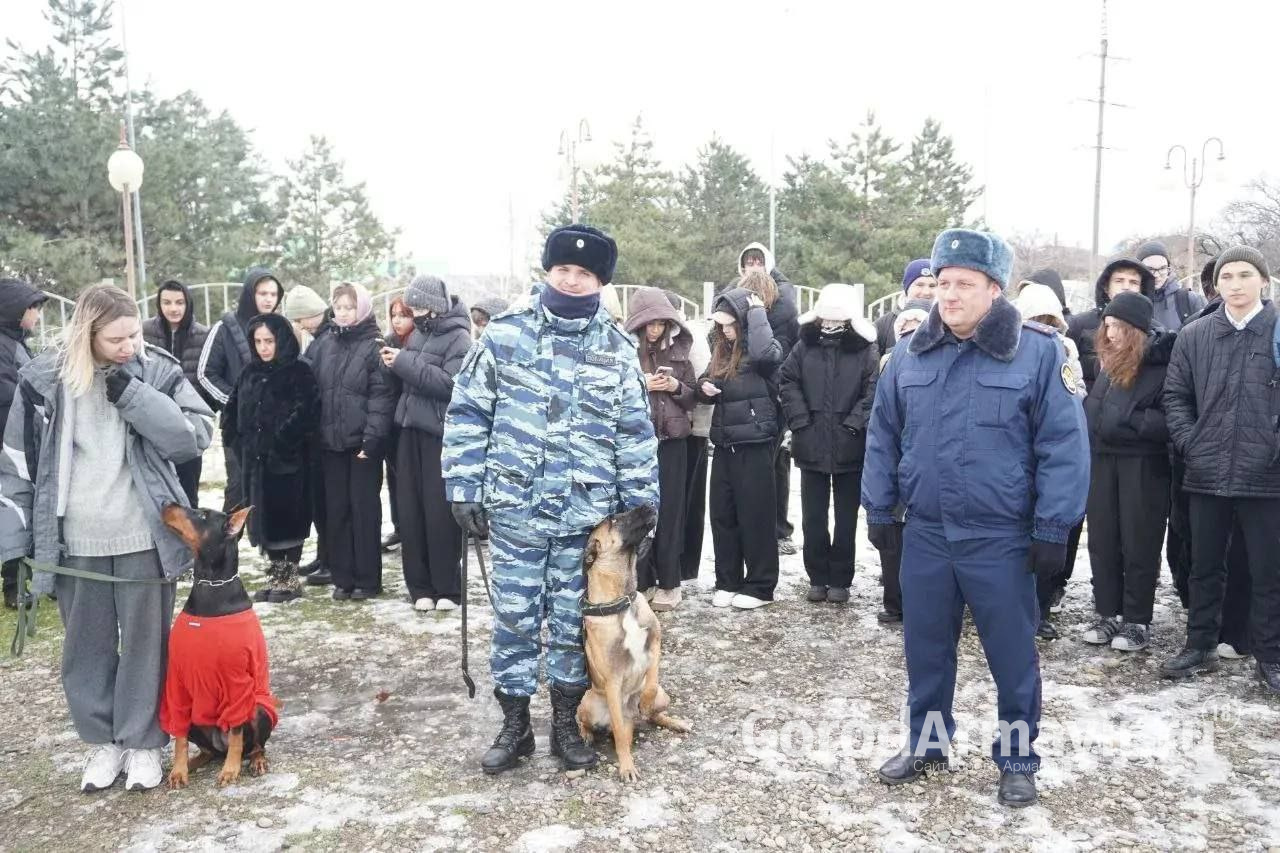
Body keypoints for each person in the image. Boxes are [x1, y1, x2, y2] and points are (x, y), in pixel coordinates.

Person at [863, 228, 1089, 808]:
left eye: (964, 284)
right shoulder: (908, 355)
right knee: (926, 651)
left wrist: (1053, 527)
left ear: (995, 289)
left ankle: (1017, 758)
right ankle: (928, 745)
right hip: (928, 534)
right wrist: (880, 507)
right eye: (943, 283)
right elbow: (883, 436)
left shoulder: (1039, 353)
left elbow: (1063, 446)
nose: (950, 295)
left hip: (1001, 537)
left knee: (1012, 657)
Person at [443, 223, 658, 775]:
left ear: (600, 282)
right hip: (514, 509)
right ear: (548, 271)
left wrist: (642, 508)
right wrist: (464, 487)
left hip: (584, 522)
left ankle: (565, 724)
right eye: (563, 269)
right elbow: (469, 411)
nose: (571, 279)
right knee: (514, 619)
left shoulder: (616, 349)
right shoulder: (505, 335)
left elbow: (635, 434)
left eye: (584, 273)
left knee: (570, 624)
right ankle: (515, 725)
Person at [0, 283, 213, 792]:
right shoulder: (43, 380)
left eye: (134, 334)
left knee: (146, 645)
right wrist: (14, 547)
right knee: (86, 647)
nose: (129, 346)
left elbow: (195, 436)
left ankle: (143, 743)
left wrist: (135, 396)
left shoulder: (156, 369)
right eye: (117, 338)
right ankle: (104, 742)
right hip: (74, 540)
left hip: (143, 534)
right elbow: (16, 465)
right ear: (87, 334)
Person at [1161, 246, 1280, 693]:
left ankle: (1269, 654)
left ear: (1263, 280)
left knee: (1269, 570)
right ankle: (1200, 645)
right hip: (1207, 470)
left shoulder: (1277, 330)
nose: (1235, 284)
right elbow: (1176, 396)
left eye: (1245, 274)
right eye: (1226, 276)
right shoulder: (1195, 334)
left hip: (1267, 474)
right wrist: (1191, 443)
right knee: (1204, 565)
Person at [1081, 292, 1175, 652]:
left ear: (1136, 329)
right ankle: (1108, 612)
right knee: (1103, 539)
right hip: (1103, 459)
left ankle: (1136, 619)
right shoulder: (1106, 362)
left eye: (1118, 326)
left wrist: (1130, 420)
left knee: (1140, 540)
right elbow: (1098, 409)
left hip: (1143, 463)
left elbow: (1171, 418)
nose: (1111, 333)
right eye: (1107, 325)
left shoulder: (1162, 364)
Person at [779, 283, 878, 604]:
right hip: (811, 442)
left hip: (850, 445)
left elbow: (872, 391)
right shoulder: (803, 345)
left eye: (838, 318)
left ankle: (841, 579)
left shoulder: (865, 349)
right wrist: (800, 421)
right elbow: (788, 381)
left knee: (846, 519)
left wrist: (853, 424)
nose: (831, 323)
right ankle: (817, 576)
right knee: (813, 518)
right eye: (827, 317)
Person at [385, 275, 473, 612]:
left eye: (419, 307)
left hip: (439, 436)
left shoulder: (460, 338)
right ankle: (419, 587)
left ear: (434, 308)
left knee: (438, 514)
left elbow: (451, 386)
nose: (415, 313)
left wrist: (403, 363)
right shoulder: (419, 335)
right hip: (408, 431)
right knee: (410, 512)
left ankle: (447, 588)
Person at [221, 314, 320, 604]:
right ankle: (278, 578)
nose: (263, 347)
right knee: (265, 524)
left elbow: (307, 412)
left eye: (269, 341)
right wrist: (236, 439)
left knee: (287, 523)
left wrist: (281, 442)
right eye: (258, 341)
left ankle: (288, 580)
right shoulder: (249, 372)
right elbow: (232, 409)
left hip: (288, 464)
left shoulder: (299, 371)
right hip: (255, 465)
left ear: (282, 340)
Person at [698, 276, 784, 610]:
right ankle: (727, 580)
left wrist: (757, 312)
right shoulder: (722, 349)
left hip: (755, 442)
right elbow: (706, 378)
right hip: (724, 443)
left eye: (730, 323)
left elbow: (765, 355)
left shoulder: (764, 348)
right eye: (721, 325)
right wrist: (704, 387)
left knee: (756, 516)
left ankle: (760, 585)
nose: (725, 330)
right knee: (723, 514)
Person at [306, 283, 396, 601]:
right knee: (337, 511)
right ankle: (343, 578)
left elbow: (381, 397)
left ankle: (368, 580)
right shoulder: (325, 344)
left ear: (362, 309)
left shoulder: (374, 345)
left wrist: (372, 438)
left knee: (363, 511)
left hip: (362, 445)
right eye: (339, 307)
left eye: (349, 307)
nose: (343, 313)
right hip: (330, 444)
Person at [1013, 280, 1087, 640]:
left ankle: (1040, 610)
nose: (1041, 325)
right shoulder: (1009, 347)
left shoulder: (1063, 348)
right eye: (1034, 318)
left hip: (1046, 454)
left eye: (1048, 319)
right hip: (1017, 460)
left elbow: (1075, 390)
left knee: (1046, 539)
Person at [624, 287, 696, 612]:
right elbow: (612, 393)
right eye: (649, 324)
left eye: (661, 323)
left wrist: (676, 386)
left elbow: (693, 395)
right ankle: (643, 581)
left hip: (673, 442)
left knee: (671, 512)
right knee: (640, 511)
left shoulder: (679, 351)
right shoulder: (625, 353)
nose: (655, 330)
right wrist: (643, 384)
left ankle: (670, 581)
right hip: (637, 443)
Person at [197, 267, 284, 513]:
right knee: (239, 489)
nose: (268, 299)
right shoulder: (225, 328)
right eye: (262, 293)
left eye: (273, 294)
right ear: (250, 294)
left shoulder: (281, 328)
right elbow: (205, 373)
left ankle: (269, 539)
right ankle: (227, 538)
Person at [870, 297, 932, 625]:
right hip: (897, 466)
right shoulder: (891, 363)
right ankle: (895, 602)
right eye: (905, 326)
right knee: (893, 540)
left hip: (924, 471)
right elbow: (882, 425)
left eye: (917, 324)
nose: (911, 331)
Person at [736, 242, 800, 555]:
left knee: (775, 464)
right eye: (748, 261)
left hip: (774, 389)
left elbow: (777, 351)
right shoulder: (735, 291)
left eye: (758, 261)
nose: (754, 266)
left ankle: (778, 529)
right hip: (743, 393)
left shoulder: (783, 297)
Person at [141, 279, 211, 506]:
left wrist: (201, 410)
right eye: (167, 302)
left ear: (188, 303)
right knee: (156, 494)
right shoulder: (143, 332)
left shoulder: (203, 335)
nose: (173, 308)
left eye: (179, 302)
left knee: (188, 494)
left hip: (188, 426)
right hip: (153, 423)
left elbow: (210, 376)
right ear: (159, 304)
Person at [0, 278, 46, 610]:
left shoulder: (14, 343)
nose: (37, 316)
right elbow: (9, 396)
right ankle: (14, 586)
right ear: (15, 311)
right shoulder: (3, 347)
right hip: (9, 443)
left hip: (18, 441)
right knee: (13, 511)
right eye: (33, 309)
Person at [1066, 258, 1157, 393]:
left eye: (1133, 282)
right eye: (1119, 281)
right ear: (1106, 287)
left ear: (1141, 290)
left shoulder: (1152, 331)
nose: (1126, 287)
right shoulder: (1079, 324)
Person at [680, 299, 714, 585]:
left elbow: (703, 385)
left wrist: (700, 429)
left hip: (692, 432)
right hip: (668, 431)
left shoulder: (692, 339)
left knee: (691, 501)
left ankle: (687, 566)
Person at [381, 297, 415, 552]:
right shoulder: (388, 342)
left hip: (413, 420)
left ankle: (412, 527)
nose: (397, 320)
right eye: (394, 315)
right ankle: (399, 527)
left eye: (403, 315)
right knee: (393, 478)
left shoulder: (419, 343)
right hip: (392, 419)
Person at [1136, 240, 1206, 332]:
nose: (1156, 275)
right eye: (1150, 269)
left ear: (1168, 269)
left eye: (1162, 268)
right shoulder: (1130, 302)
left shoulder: (1189, 300)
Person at [874, 259, 937, 358]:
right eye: (919, 285)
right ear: (906, 288)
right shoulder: (882, 326)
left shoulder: (948, 322)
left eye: (932, 286)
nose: (926, 292)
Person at [282, 284, 330, 354]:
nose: (300, 327)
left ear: (312, 313)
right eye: (295, 321)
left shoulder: (336, 333)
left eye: (298, 320)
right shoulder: (308, 334)